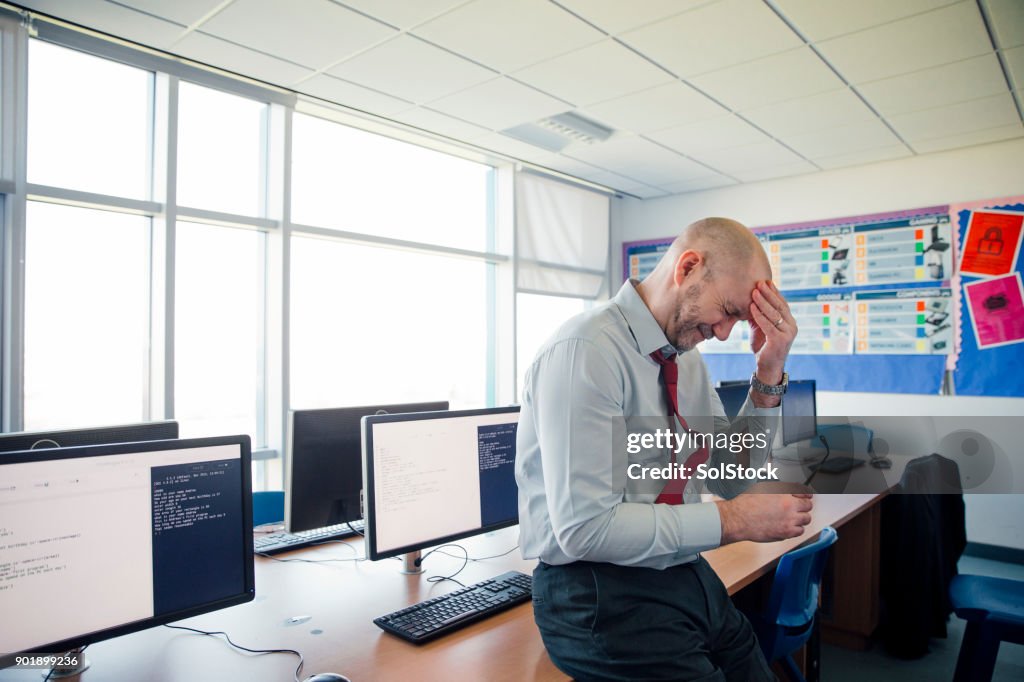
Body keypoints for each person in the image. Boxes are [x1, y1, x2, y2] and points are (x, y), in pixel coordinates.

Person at [516, 217, 813, 681]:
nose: (723, 334)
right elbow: (585, 529)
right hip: (594, 589)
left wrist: (770, 371)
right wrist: (735, 521)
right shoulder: (586, 351)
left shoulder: (685, 362)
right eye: (728, 311)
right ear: (688, 267)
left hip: (681, 569)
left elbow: (729, 477)